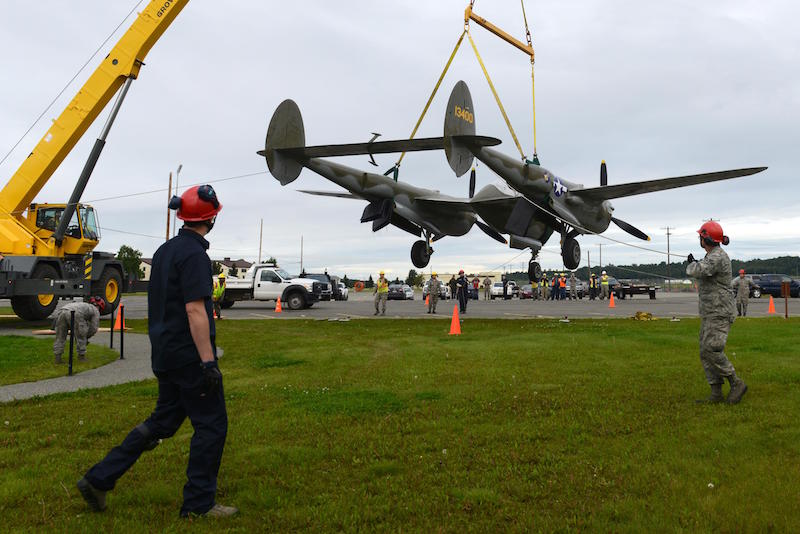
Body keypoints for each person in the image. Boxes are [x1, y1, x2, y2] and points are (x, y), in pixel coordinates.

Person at [77, 185, 237, 518]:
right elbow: (195, 310)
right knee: (211, 425)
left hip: (164, 355)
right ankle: (198, 505)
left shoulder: (165, 252)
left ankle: (99, 478)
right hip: (190, 357)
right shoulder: (195, 256)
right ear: (211, 218)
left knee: (162, 422)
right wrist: (208, 362)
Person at [687, 221, 747, 405]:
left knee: (712, 349)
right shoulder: (711, 255)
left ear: (706, 238)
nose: (699, 239)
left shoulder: (717, 256)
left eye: (701, 236)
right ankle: (716, 392)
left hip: (720, 311)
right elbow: (703, 269)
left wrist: (691, 265)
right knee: (705, 351)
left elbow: (699, 270)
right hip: (711, 311)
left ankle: (736, 383)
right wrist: (696, 263)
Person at [52, 297, 104, 363]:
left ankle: (57, 357)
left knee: (60, 336)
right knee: (81, 335)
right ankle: (81, 357)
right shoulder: (95, 310)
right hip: (76, 313)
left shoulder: (83, 305)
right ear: (100, 307)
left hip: (62, 311)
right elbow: (93, 328)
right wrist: (86, 337)